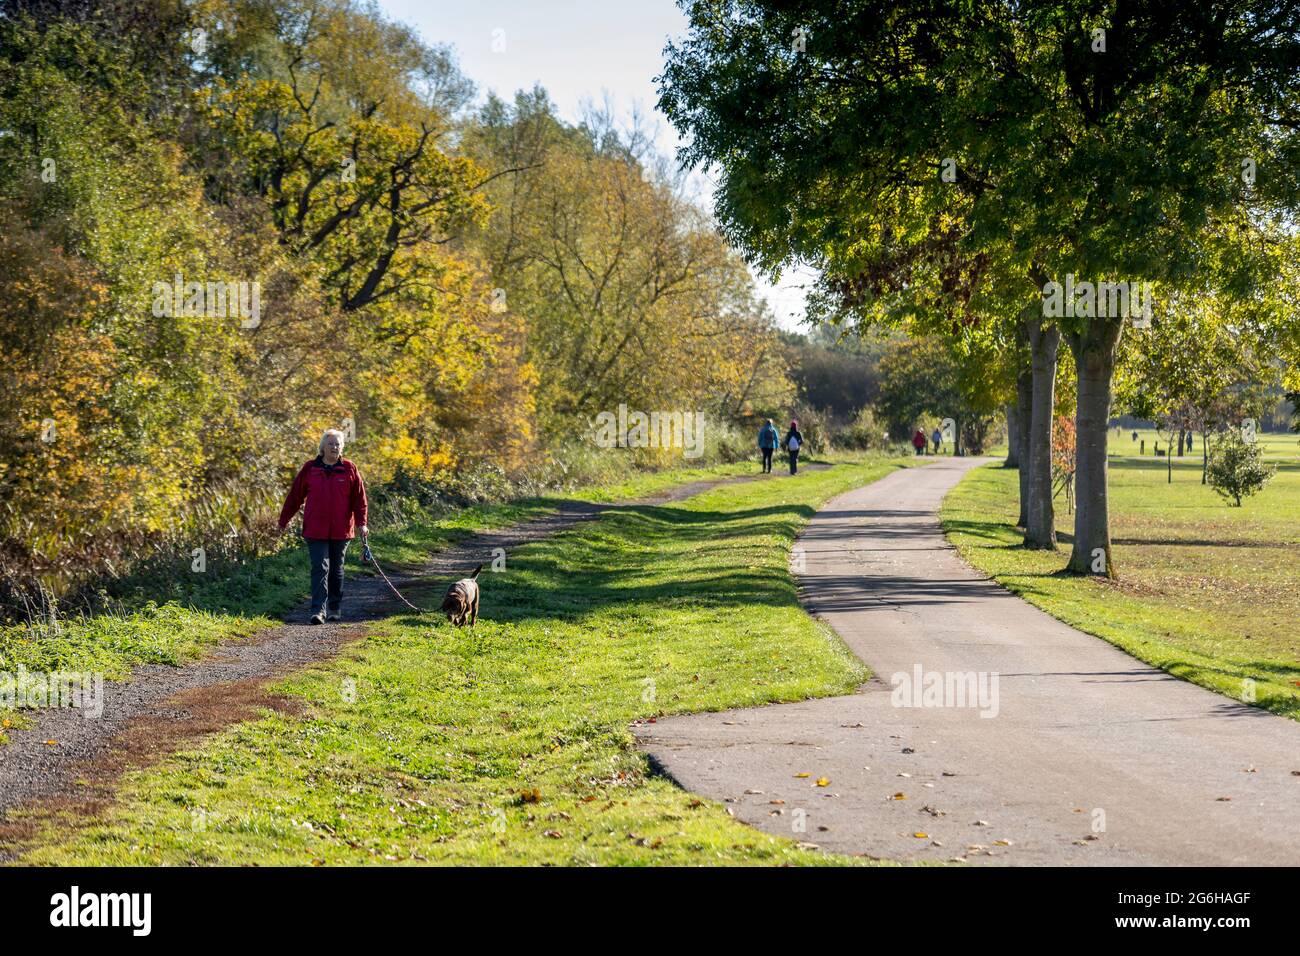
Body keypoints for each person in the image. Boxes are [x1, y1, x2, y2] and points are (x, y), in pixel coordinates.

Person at [278, 428, 369, 624]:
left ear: (341, 447)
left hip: (342, 529)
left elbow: (359, 499)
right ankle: (318, 610)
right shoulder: (310, 468)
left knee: (337, 570)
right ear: (322, 447)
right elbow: (295, 497)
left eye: (338, 444)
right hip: (315, 528)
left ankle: (334, 607)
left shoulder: (349, 468)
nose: (335, 447)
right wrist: (283, 520)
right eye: (331, 444)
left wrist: (362, 524)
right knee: (320, 567)